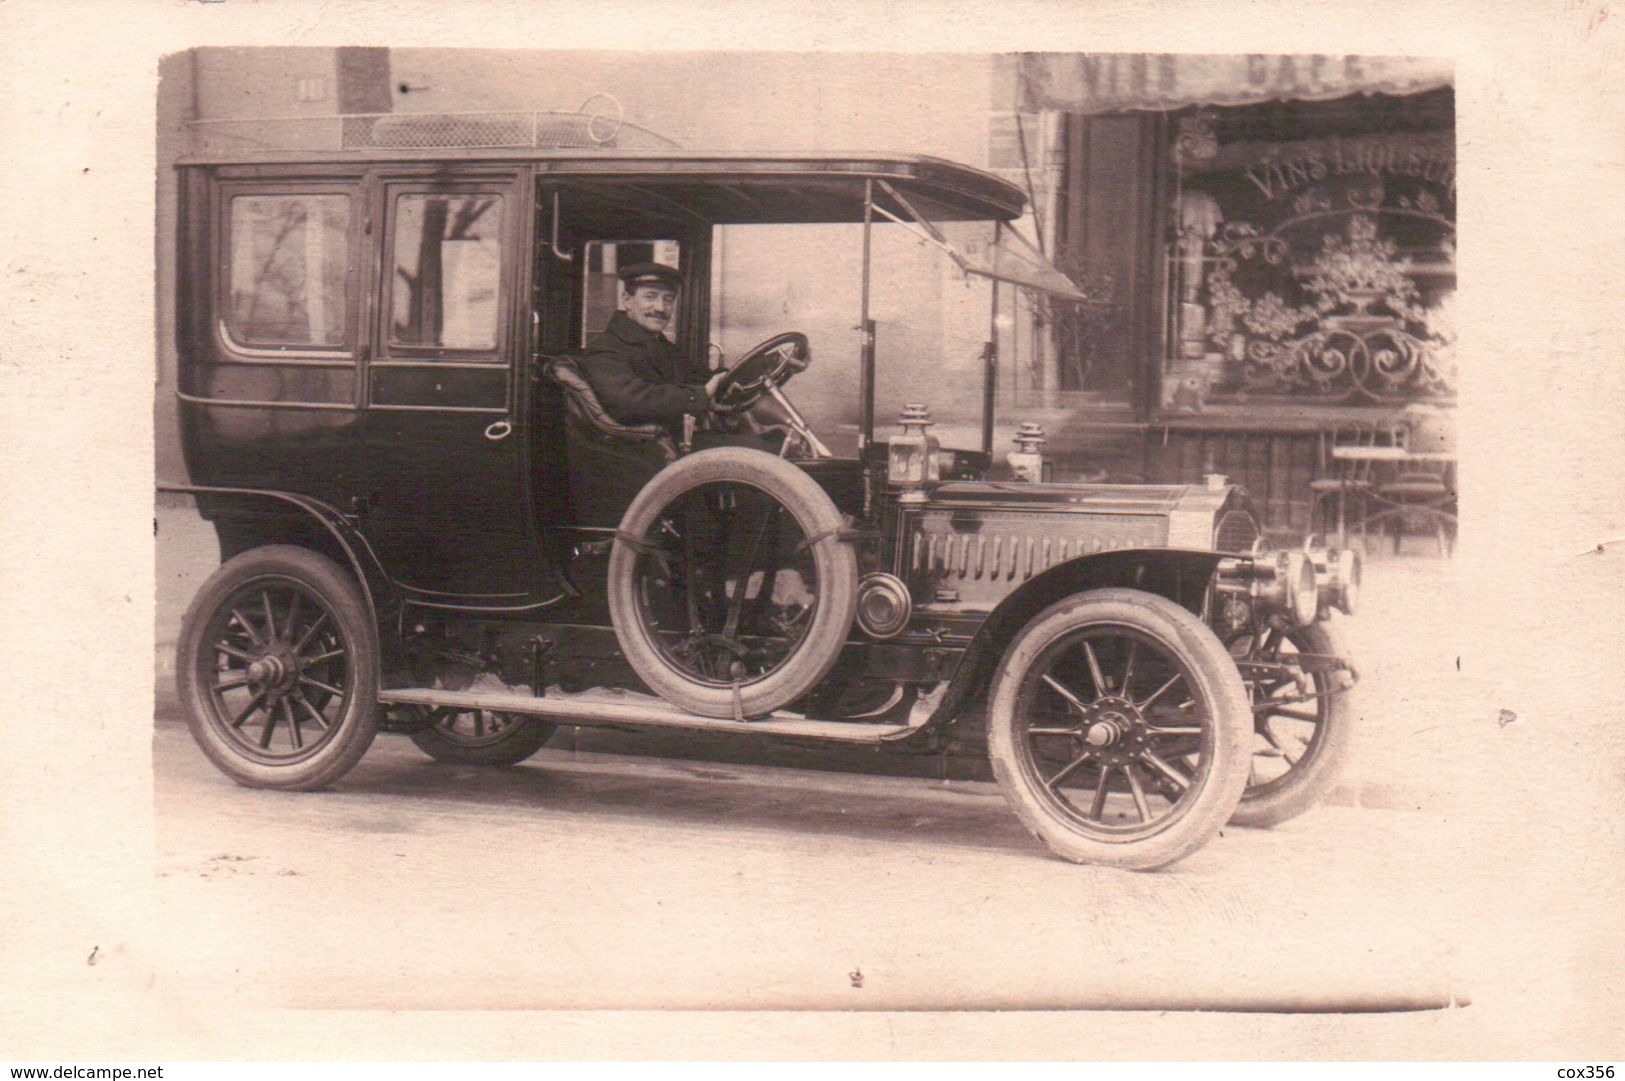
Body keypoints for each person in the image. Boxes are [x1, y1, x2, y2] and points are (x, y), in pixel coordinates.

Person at [578, 261, 728, 443]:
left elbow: (699, 378)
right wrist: (699, 395)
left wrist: (726, 381)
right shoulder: (605, 349)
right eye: (650, 297)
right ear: (627, 300)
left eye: (668, 299)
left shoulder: (663, 347)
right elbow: (629, 401)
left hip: (677, 444)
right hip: (641, 451)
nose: (660, 308)